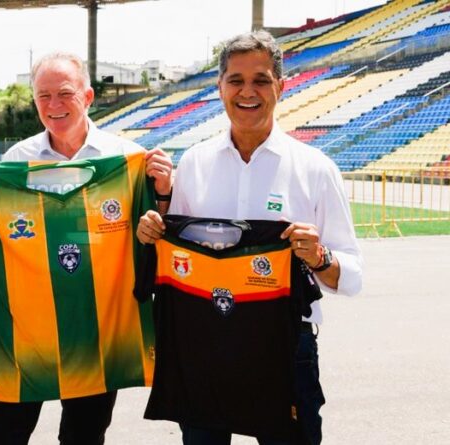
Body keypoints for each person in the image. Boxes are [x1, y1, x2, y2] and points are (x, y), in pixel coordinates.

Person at [0, 52, 173, 445]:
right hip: (28, 330)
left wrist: (162, 194)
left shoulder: (128, 158)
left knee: (83, 438)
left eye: (64, 93)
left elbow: (155, 241)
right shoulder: (16, 160)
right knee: (3, 437)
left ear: (88, 96)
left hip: (97, 330)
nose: (53, 104)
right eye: (43, 96)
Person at [136, 31, 363, 445]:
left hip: (284, 345)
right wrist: (154, 228)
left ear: (281, 86)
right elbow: (175, 257)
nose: (247, 92)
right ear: (219, 86)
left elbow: (352, 276)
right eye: (236, 80)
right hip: (203, 341)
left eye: (260, 80)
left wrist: (319, 256)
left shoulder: (315, 169)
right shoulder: (195, 163)